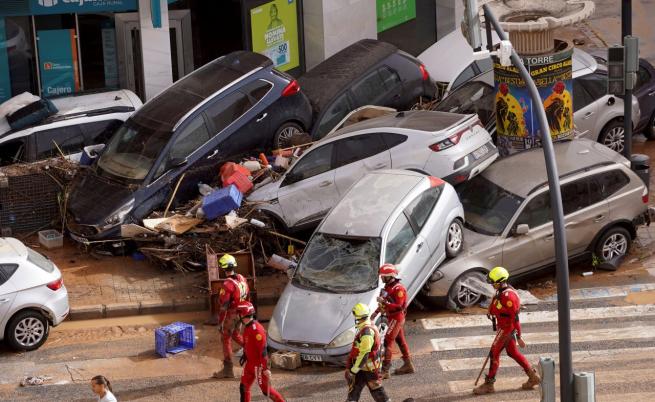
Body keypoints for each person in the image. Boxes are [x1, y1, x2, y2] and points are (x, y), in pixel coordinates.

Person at [473, 267, 540, 395]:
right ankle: (533, 377)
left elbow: (515, 317)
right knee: (512, 352)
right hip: (503, 328)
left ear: (501, 281)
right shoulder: (501, 291)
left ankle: (489, 384)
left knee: (494, 353)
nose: (492, 284)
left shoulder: (508, 297)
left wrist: (519, 336)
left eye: (494, 282)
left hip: (506, 329)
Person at [236, 301, 285, 402]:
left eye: (239, 313)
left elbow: (263, 351)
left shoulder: (257, 330)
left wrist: (266, 368)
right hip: (250, 363)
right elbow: (248, 344)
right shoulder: (248, 327)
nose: (238, 316)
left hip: (259, 365)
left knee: (265, 390)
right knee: (244, 387)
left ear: (243, 314)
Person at [371, 263, 414, 379]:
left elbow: (399, 306)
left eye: (383, 276)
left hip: (396, 317)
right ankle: (408, 365)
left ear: (390, 276)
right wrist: (374, 314)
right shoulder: (387, 288)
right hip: (391, 317)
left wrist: (384, 303)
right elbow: (384, 304)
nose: (381, 278)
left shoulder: (398, 288)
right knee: (400, 341)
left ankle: (385, 371)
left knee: (388, 342)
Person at [213, 253, 250, 379]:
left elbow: (224, 306)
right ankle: (253, 350)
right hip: (242, 311)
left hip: (232, 313)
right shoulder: (242, 278)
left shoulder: (227, 284)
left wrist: (220, 322)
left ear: (223, 268)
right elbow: (247, 297)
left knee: (225, 338)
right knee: (235, 334)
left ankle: (228, 370)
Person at [345, 303, 390, 402]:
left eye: (355, 316)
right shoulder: (366, 327)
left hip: (368, 368)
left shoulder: (367, 333)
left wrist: (353, 371)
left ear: (359, 317)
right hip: (362, 367)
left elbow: (364, 354)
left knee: (377, 390)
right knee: (354, 389)